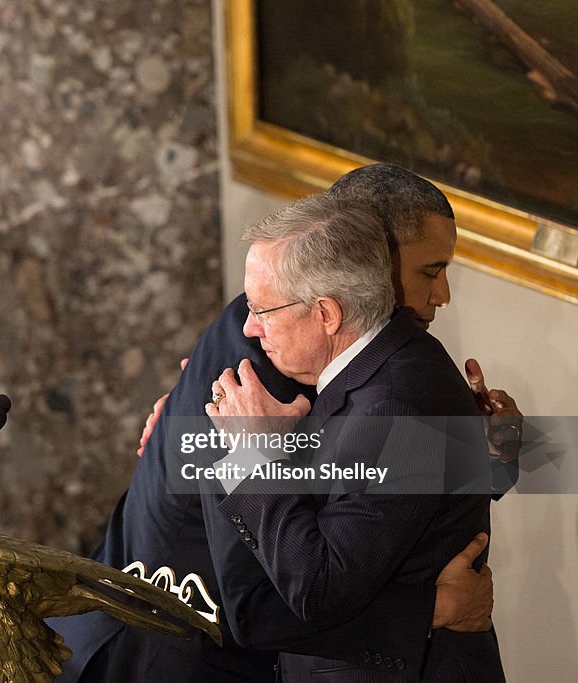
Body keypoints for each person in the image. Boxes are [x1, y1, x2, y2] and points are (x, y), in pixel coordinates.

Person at [50, 164, 508, 681]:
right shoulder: (272, 359)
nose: (443, 294)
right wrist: (433, 610)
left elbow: (392, 486)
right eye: (429, 270)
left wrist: (490, 446)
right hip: (165, 648)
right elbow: (298, 581)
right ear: (362, 256)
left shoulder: (321, 338)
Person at [206, 193, 503, 679]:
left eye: (262, 309)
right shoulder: (372, 366)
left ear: (327, 313)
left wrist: (253, 455)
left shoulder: (397, 407)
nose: (247, 327)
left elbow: (319, 589)